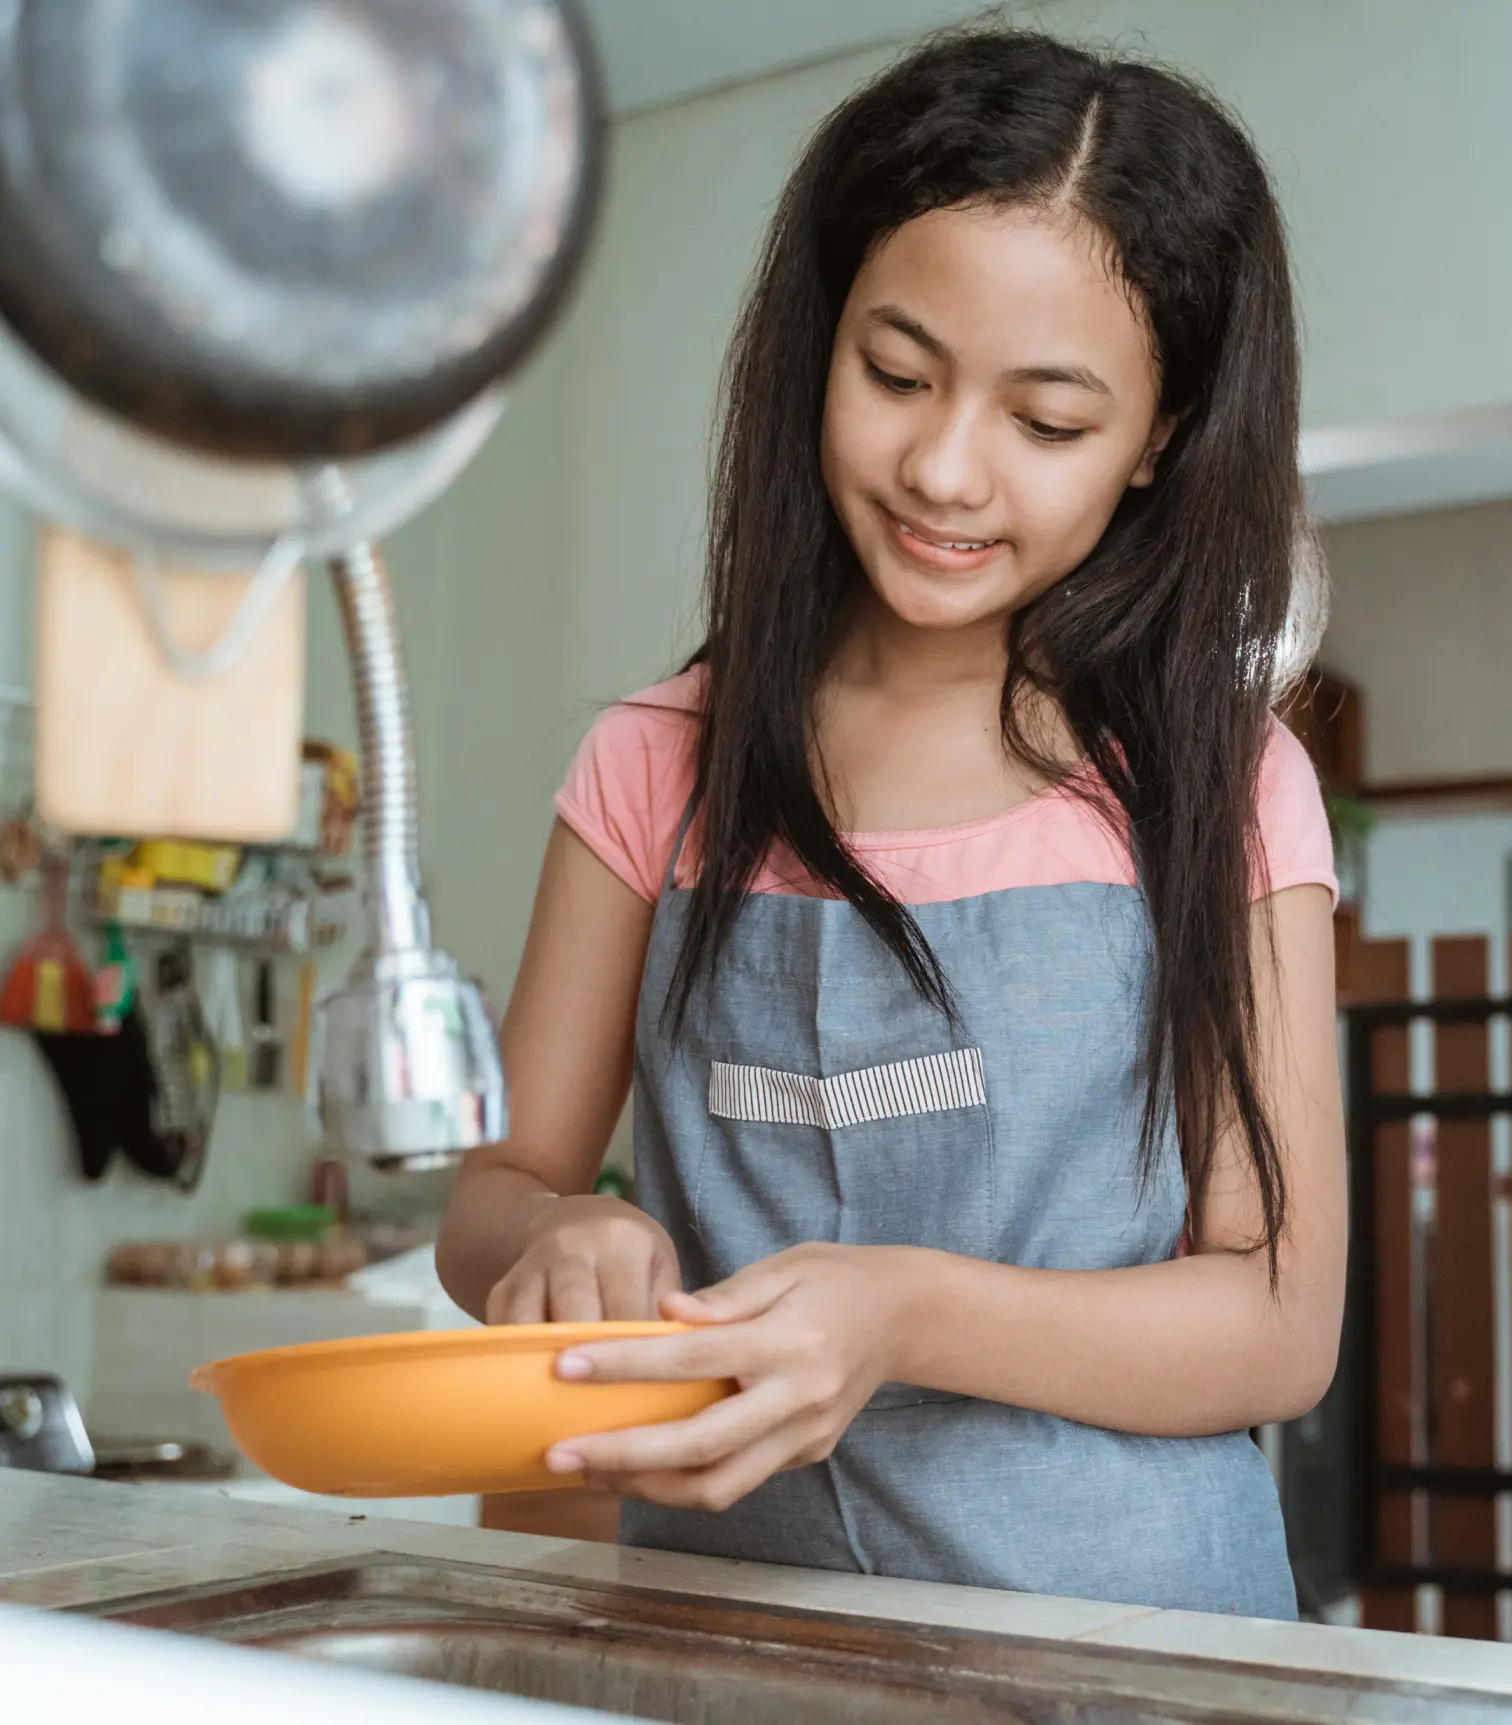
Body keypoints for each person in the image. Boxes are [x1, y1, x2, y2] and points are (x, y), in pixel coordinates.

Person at [437, 27, 1346, 1620]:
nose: (943, 467)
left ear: (1164, 437)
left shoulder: (1224, 783)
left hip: (1140, 1658)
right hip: (737, 1648)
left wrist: (905, 1314)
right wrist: (565, 1229)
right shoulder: (661, 759)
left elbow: (1277, 1318)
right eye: (897, 373)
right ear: (819, 342)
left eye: (1047, 422)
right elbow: (495, 1187)